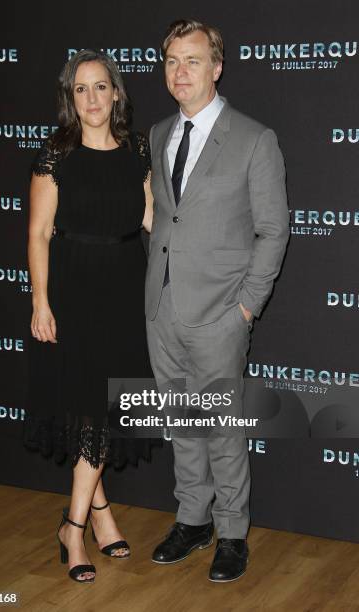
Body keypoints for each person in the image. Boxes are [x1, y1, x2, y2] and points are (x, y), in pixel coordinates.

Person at [146, 19, 289, 582]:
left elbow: (274, 230)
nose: (181, 73)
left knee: (223, 428)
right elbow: (166, 216)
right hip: (163, 309)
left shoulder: (254, 139)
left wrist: (246, 307)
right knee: (182, 424)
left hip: (222, 313)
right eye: (172, 62)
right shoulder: (158, 134)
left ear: (217, 66)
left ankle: (231, 531)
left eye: (193, 61)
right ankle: (192, 519)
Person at [23, 49, 155, 583]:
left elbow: (151, 218)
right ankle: (76, 527)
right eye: (81, 89)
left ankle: (96, 516)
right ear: (69, 98)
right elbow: (37, 233)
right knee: (87, 410)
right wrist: (40, 300)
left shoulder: (139, 150)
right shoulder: (56, 154)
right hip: (74, 290)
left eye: (101, 87)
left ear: (117, 92)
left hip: (125, 291)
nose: (92, 98)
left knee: (100, 410)